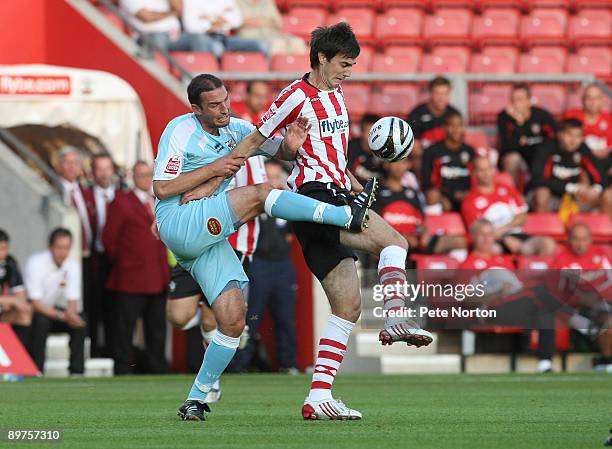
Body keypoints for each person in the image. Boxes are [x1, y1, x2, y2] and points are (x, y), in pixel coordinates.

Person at [222, 22, 434, 421]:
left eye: (352, 64)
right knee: (396, 244)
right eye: (344, 63)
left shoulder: (337, 93)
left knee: (348, 306)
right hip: (314, 198)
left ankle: (319, 396)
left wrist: (354, 187)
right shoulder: (295, 95)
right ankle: (395, 318)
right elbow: (257, 138)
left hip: (337, 191)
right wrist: (223, 169)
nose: (348, 71)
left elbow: (332, 158)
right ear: (322, 57)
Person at [151, 72, 376, 421]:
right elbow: (162, 189)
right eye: (214, 106)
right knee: (259, 194)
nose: (224, 109)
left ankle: (195, 399)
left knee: (233, 318)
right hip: (179, 220)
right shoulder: (179, 130)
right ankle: (344, 215)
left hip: (206, 238)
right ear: (196, 109)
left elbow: (280, 152)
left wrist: (291, 144)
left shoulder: (238, 128)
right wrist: (213, 170)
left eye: (225, 100)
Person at [231, 159, 298, 373]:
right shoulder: (252, 202)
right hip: (258, 263)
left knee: (286, 318)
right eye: (269, 177)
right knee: (252, 316)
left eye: (277, 177)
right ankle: (241, 364)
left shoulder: (287, 202)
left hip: (282, 265)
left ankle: (288, 364)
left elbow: (290, 234)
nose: (273, 181)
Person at [103, 162, 170, 375]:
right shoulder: (121, 202)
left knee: (157, 329)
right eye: (141, 175)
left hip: (158, 277)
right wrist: (127, 262)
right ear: (133, 176)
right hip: (131, 278)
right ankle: (123, 368)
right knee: (125, 329)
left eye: (149, 175)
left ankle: (156, 367)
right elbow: (109, 240)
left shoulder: (159, 202)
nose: (145, 179)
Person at [462, 156, 556, 256]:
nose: (486, 173)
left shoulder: (507, 189)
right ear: (474, 173)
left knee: (547, 244)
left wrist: (503, 231)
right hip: (493, 240)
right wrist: (504, 238)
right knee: (492, 250)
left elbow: (522, 217)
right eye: (481, 170)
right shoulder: (470, 200)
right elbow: (478, 231)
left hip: (518, 235)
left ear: (494, 170)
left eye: (489, 168)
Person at [25, 228, 86, 375]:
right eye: (59, 248)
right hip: (33, 313)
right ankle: (37, 369)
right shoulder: (36, 263)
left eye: (66, 248)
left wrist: (71, 315)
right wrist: (63, 316)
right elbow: (35, 303)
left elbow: (73, 299)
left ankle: (76, 371)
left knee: (81, 320)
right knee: (41, 321)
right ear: (51, 247)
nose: (63, 252)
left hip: (54, 312)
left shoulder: (72, 265)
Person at [374, 159, 467, 256]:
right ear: (386, 165)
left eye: (403, 163)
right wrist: (402, 236)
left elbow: (421, 220)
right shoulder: (378, 193)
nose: (399, 167)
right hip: (391, 241)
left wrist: (424, 233)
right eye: (395, 163)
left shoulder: (413, 193)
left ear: (408, 165)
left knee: (459, 242)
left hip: (416, 240)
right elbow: (375, 225)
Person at [552, 223, 612, 370]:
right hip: (577, 307)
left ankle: (605, 361)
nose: (580, 244)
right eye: (576, 239)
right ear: (569, 240)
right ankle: (606, 360)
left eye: (584, 239)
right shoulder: (561, 260)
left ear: (590, 240)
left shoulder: (601, 255)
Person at [532, 119, 611, 214]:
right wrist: (570, 187)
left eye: (578, 136)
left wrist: (595, 189)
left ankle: (604, 227)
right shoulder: (546, 149)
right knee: (542, 193)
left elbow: (600, 175)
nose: (573, 140)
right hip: (552, 195)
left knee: (609, 195)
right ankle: (543, 227)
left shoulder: (583, 149)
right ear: (560, 134)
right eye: (569, 135)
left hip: (577, 197)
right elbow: (538, 179)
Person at [497, 83, 557, 188]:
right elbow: (508, 147)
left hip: (539, 156)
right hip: (520, 158)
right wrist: (519, 124)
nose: (516, 104)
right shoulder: (504, 118)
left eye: (520, 99)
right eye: (513, 100)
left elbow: (555, 136)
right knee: (512, 159)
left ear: (529, 101)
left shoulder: (542, 116)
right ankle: (511, 195)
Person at [421, 111, 475, 212]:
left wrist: (468, 194)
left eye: (460, 125)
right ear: (444, 128)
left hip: (466, 197)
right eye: (452, 125)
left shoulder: (470, 151)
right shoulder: (432, 151)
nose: (456, 129)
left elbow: (476, 178)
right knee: (433, 195)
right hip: (444, 197)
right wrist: (448, 195)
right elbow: (427, 183)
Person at [90, 154, 117, 357]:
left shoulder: (122, 196)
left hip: (117, 260)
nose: (104, 173)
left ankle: (111, 353)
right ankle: (93, 352)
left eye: (107, 168)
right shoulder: (85, 195)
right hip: (94, 258)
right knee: (93, 308)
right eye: (100, 169)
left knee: (114, 310)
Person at [182, 0, 268, 59]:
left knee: (261, 45)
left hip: (225, 38)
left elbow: (237, 19)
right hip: (205, 38)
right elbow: (190, 26)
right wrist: (218, 20)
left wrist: (208, 18)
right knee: (217, 48)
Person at [120, 0, 212, 54]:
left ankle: (202, 80)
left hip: (174, 36)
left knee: (197, 38)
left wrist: (173, 11)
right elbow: (146, 17)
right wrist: (171, 13)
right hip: (146, 36)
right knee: (159, 38)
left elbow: (179, 9)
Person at [236, 0, 307, 55]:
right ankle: (275, 72)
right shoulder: (237, 2)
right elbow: (236, 22)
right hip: (250, 37)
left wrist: (254, 21)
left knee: (298, 42)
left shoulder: (268, 1)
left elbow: (278, 22)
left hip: (272, 34)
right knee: (277, 44)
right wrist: (267, 21)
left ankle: (299, 71)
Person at [407, 76, 460, 150]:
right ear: (430, 93)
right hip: (423, 157)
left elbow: (458, 143)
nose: (441, 98)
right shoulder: (417, 113)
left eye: (445, 94)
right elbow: (413, 145)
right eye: (437, 93)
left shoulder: (454, 114)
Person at [564, 83, 611, 161]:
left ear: (602, 100)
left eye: (597, 98)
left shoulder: (609, 119)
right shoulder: (572, 116)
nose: (593, 102)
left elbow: (609, 146)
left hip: (604, 160)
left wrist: (607, 151)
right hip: (577, 158)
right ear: (583, 100)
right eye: (589, 98)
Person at [0, 229, 32, 344]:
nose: (4, 252)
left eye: (6, 248)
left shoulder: (10, 263)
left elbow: (21, 297)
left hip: (3, 313)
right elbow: (15, 299)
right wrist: (12, 300)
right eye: (1, 249)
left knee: (25, 313)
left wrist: (14, 302)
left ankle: (19, 356)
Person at [347, 114, 385, 186]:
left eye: (377, 133)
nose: (373, 137)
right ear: (361, 132)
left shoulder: (385, 151)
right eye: (369, 132)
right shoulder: (350, 149)